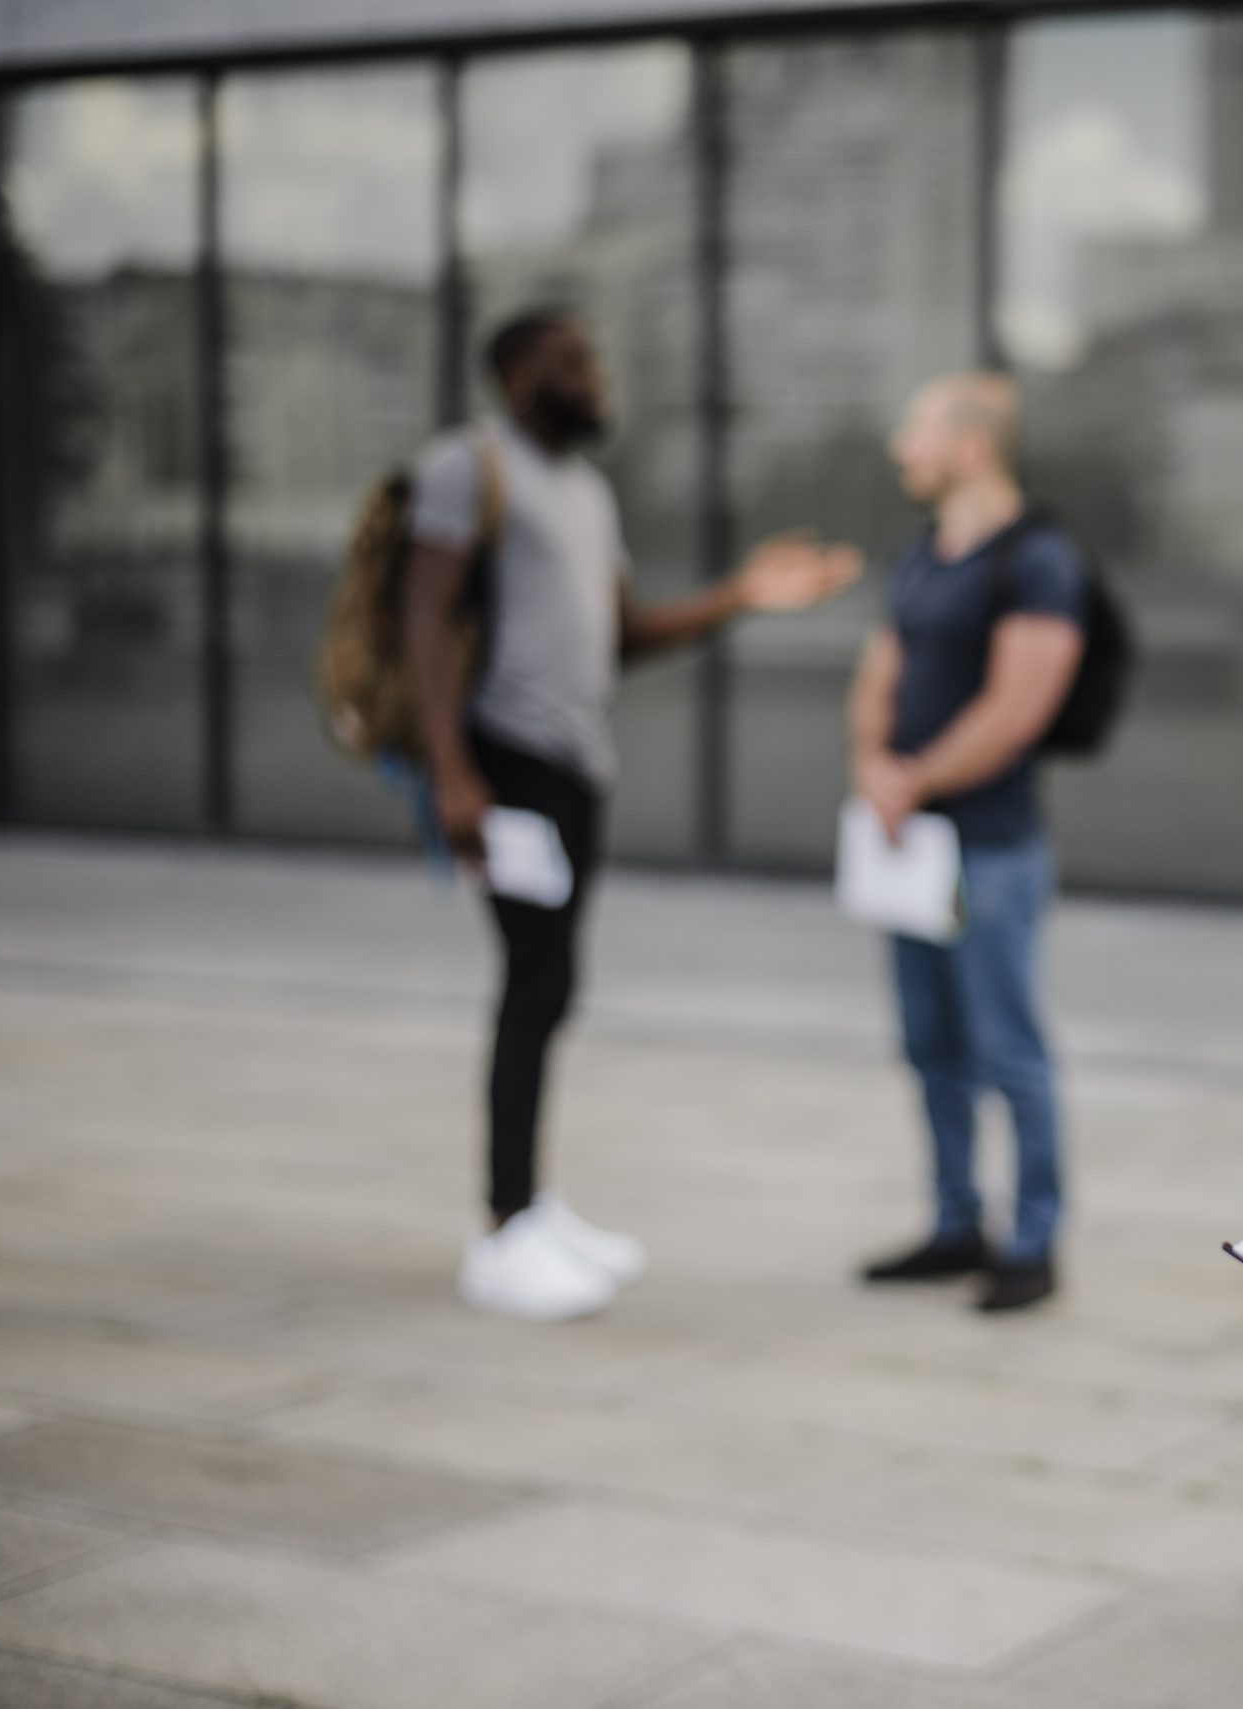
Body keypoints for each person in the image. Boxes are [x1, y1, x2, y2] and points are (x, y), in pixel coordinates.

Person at [405, 306, 861, 1321]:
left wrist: (743, 592)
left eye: (594, 359)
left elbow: (625, 632)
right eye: (571, 362)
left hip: (573, 767)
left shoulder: (583, 487)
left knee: (555, 982)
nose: (594, 376)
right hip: (504, 764)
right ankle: (502, 1228)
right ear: (519, 373)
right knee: (532, 984)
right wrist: (452, 773)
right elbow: (423, 623)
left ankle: (532, 1204)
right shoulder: (464, 465)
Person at [851, 373, 1087, 1314]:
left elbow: (1017, 707)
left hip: (990, 850)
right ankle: (956, 1224)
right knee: (929, 1043)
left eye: (917, 430)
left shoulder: (1038, 560)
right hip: (911, 849)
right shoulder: (923, 554)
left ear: (972, 445)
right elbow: (882, 666)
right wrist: (873, 761)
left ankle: (1032, 1242)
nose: (902, 448)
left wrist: (913, 777)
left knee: (1008, 1048)